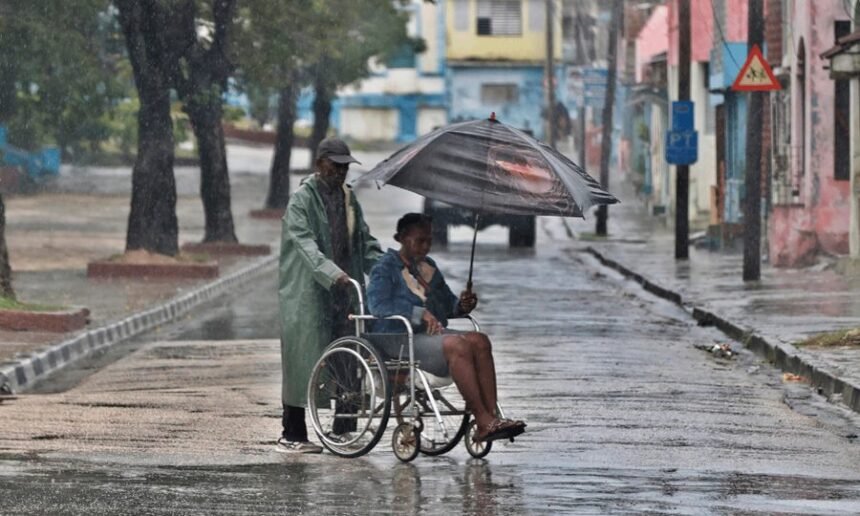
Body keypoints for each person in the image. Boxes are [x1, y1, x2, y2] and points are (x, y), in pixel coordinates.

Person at [367, 213, 525, 443]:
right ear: (401, 238)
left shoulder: (429, 267)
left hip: (426, 338)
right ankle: (483, 421)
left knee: (480, 341)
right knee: (456, 345)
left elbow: (446, 305)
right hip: (396, 337)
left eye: (429, 241)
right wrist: (419, 313)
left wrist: (461, 305)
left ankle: (492, 416)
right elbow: (378, 305)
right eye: (419, 240)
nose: (425, 246)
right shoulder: (384, 268)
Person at [276, 137, 383, 454]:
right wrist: (331, 272)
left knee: (349, 358)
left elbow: (364, 241)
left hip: (345, 292)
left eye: (344, 167)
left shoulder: (349, 200)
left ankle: (344, 430)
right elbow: (305, 244)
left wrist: (390, 268)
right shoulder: (302, 201)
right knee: (303, 363)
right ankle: (292, 434)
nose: (340, 172)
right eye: (334, 166)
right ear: (319, 164)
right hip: (309, 295)